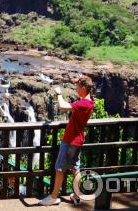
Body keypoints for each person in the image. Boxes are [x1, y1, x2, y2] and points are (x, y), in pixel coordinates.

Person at [39, 75, 95, 206]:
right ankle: (76, 196)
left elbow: (63, 106)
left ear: (84, 88)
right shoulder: (90, 102)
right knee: (75, 168)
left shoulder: (83, 103)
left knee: (59, 168)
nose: (75, 88)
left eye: (77, 86)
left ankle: (53, 197)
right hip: (78, 139)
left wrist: (59, 93)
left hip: (71, 140)